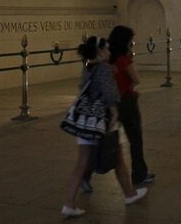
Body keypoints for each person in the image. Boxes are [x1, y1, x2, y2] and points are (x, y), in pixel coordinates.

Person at [63, 36, 147, 217]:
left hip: (85, 120)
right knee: (117, 155)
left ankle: (70, 202)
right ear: (100, 52)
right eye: (107, 49)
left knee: (83, 162)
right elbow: (109, 93)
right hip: (101, 120)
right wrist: (114, 113)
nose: (109, 52)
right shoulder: (103, 69)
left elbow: (82, 87)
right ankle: (129, 194)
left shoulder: (88, 68)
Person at [108, 25, 155, 186]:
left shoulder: (108, 59)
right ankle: (139, 174)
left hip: (112, 102)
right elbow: (136, 79)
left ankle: (86, 175)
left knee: (102, 140)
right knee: (135, 139)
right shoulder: (123, 59)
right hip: (127, 101)